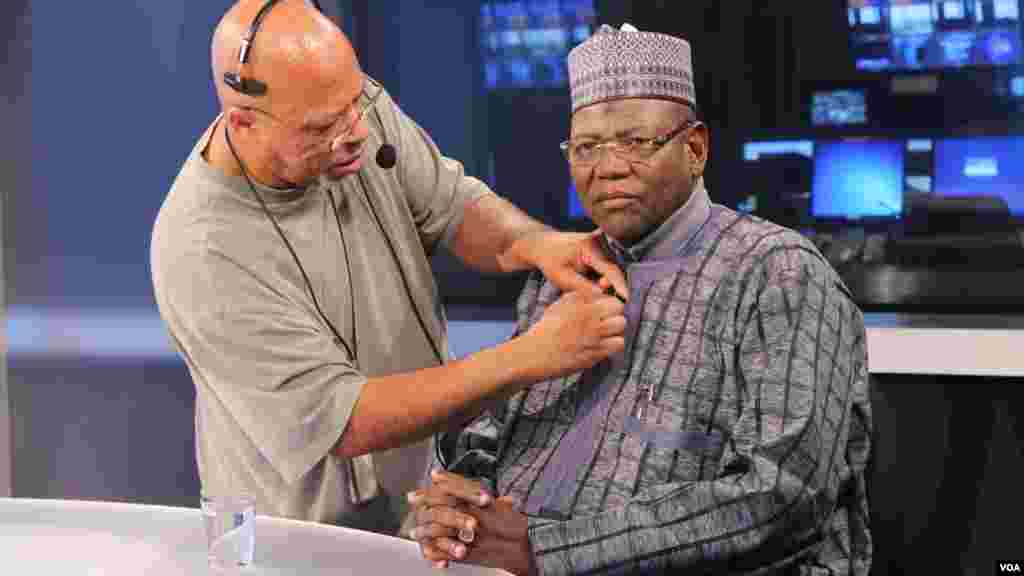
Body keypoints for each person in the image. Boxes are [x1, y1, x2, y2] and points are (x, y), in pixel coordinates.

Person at [409, 23, 873, 575]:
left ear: (695, 148)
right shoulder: (562, 276)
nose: (606, 167)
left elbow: (781, 496)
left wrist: (546, 550)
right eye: (585, 147)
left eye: (635, 142)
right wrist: (463, 506)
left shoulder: (778, 275)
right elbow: (492, 438)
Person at [150, 0, 629, 534]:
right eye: (323, 126)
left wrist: (537, 243)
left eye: (357, 102)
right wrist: (531, 357)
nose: (357, 130)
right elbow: (346, 420)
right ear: (243, 122)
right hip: (300, 542)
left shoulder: (344, 107)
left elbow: (451, 205)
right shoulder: (204, 249)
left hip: (419, 507)